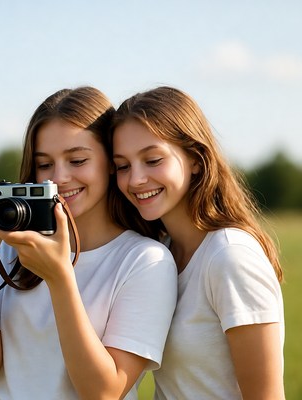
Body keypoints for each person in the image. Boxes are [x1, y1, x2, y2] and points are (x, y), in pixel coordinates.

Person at [0, 86, 177, 400]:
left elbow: (103, 392)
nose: (58, 177)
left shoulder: (145, 261)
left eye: (77, 160)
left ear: (110, 162)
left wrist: (60, 279)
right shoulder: (14, 247)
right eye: (45, 165)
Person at [111, 86, 285, 400]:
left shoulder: (230, 257)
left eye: (152, 160)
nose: (135, 179)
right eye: (123, 166)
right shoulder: (159, 253)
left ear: (194, 158)